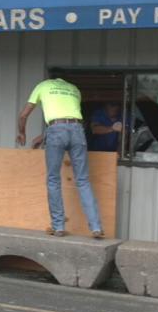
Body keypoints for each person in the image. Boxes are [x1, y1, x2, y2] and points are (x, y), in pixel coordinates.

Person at [16, 76, 104, 238]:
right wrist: (44, 135)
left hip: (56, 131)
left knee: (53, 179)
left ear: (51, 79)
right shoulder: (74, 89)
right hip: (78, 130)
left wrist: (22, 132)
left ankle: (58, 227)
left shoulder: (42, 85)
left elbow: (24, 115)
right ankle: (96, 227)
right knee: (83, 180)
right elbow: (68, 120)